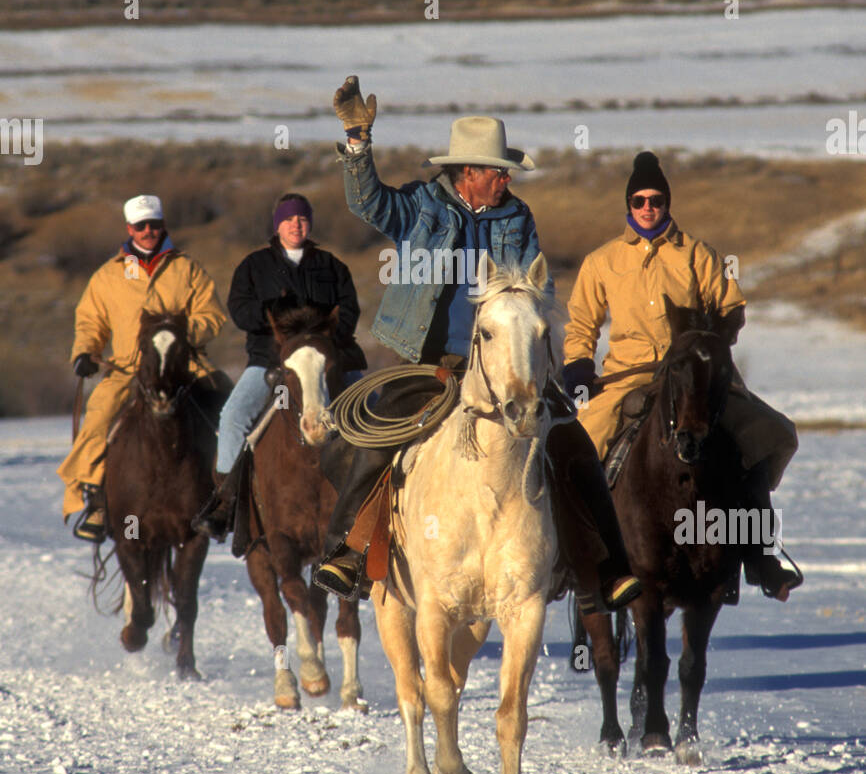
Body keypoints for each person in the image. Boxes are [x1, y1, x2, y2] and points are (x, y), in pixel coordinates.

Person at [313, 75, 641, 611]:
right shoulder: (420, 205)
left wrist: (527, 315)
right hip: (430, 359)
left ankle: (607, 569)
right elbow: (368, 202)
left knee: (573, 444)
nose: (505, 181)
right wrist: (356, 141)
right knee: (374, 443)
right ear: (469, 173)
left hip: (507, 366)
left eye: (506, 174)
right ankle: (344, 554)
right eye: (497, 172)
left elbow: (540, 286)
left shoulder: (518, 217)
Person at [562, 150, 802, 600]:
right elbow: (580, 325)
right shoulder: (603, 261)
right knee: (576, 451)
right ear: (628, 205)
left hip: (696, 377)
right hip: (628, 378)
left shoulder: (698, 254)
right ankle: (589, 564)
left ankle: (760, 555)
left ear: (667, 202)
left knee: (768, 436)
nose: (648, 207)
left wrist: (715, 335)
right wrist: (578, 367)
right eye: (639, 200)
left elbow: (731, 306)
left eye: (655, 199)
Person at [194, 192, 366, 540]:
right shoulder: (253, 267)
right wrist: (276, 317)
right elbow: (240, 309)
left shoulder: (332, 265)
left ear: (310, 224)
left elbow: (349, 309)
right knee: (233, 417)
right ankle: (226, 502)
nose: (296, 225)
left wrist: (325, 331)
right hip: (271, 361)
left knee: (374, 410)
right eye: (289, 219)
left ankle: (385, 496)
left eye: (302, 219)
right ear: (278, 225)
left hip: (330, 359)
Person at [58, 194, 227, 543]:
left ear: (163, 224)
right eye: (141, 226)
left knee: (228, 407)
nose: (148, 231)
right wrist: (85, 352)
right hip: (127, 369)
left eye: (154, 224)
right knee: (100, 414)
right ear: (129, 229)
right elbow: (90, 321)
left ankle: (228, 495)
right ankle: (97, 499)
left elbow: (211, 315)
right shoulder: (108, 276)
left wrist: (182, 337)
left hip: (185, 364)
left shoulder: (187, 268)